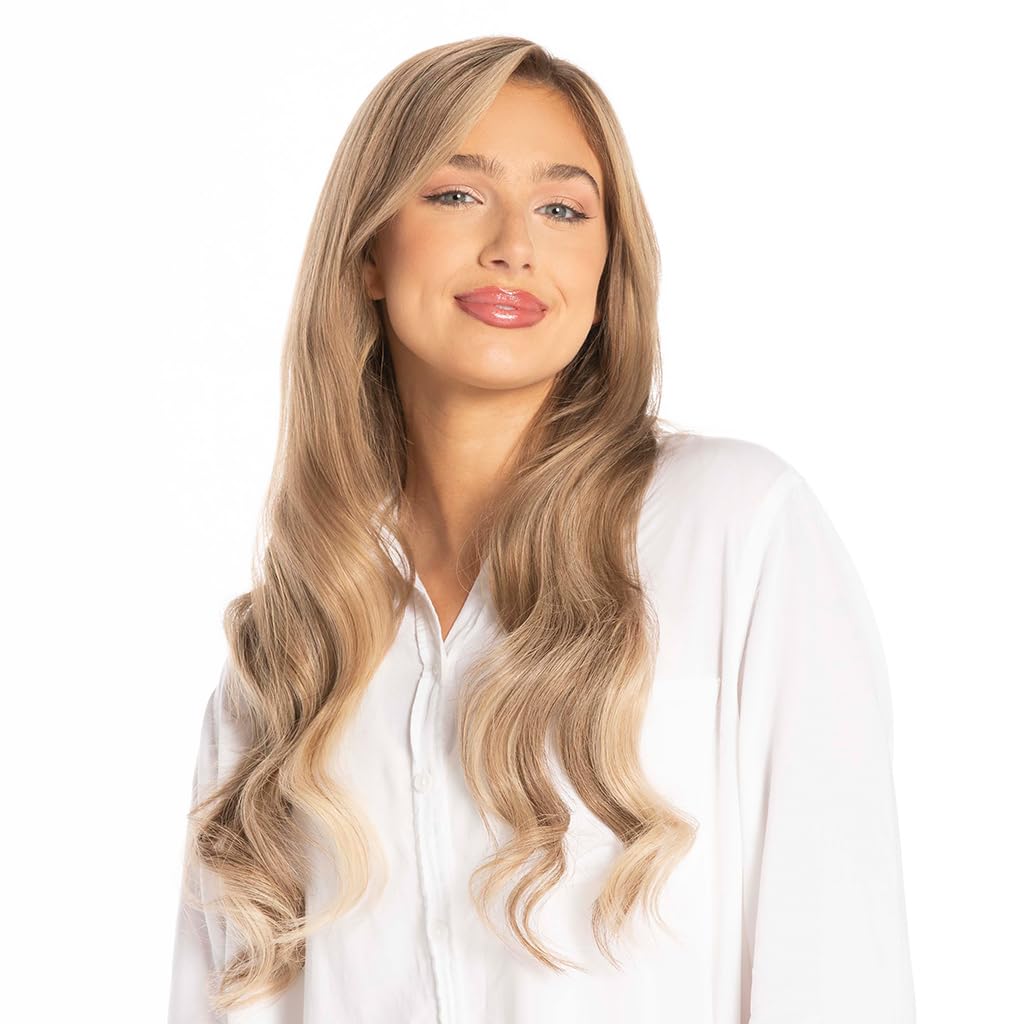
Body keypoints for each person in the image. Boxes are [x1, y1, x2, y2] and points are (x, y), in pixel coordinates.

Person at [167, 35, 917, 1024]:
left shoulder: (735, 529)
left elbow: (838, 957)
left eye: (563, 208)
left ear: (606, 271)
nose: (513, 244)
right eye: (456, 194)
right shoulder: (290, 647)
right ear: (369, 253)